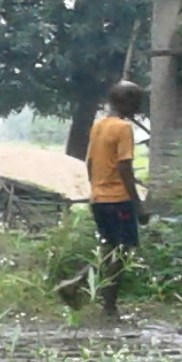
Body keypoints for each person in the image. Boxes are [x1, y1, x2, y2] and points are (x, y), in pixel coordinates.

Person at [64, 80, 148, 321]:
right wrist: (138, 203)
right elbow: (124, 165)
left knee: (111, 248)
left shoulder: (99, 126)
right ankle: (107, 306)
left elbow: (90, 163)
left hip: (99, 198)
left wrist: (96, 188)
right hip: (118, 199)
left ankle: (78, 285)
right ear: (127, 101)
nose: (139, 107)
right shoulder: (123, 129)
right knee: (122, 252)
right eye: (137, 102)